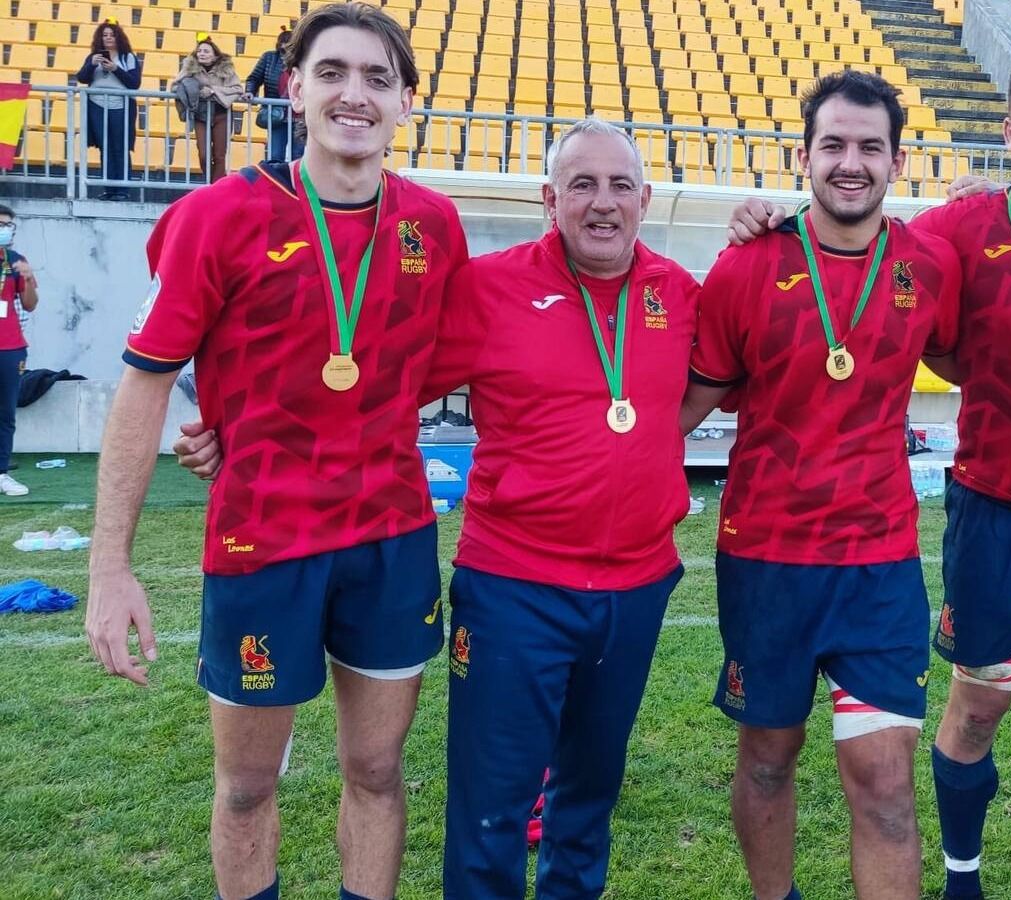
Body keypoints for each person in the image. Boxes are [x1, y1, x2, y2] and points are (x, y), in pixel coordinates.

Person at [727, 43, 1011, 900]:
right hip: (987, 508)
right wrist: (768, 215)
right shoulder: (953, 232)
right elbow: (847, 231)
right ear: (1008, 132)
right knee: (976, 706)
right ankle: (962, 880)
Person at [84, 6, 468, 900]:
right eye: (332, 72)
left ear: (406, 102)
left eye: (378, 78)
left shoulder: (434, 230)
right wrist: (110, 566)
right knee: (249, 786)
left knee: (376, 772)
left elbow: (428, 375)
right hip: (262, 545)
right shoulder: (216, 217)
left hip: (391, 542)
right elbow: (145, 384)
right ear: (291, 89)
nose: (354, 95)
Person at [682, 70, 962, 900]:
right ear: (802, 156)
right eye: (833, 144)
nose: (850, 162)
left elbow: (966, 350)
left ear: (897, 160)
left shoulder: (929, 265)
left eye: (869, 147)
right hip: (765, 557)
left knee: (883, 787)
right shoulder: (745, 268)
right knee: (768, 762)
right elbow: (683, 407)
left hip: (878, 564)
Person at [426, 118, 701, 899]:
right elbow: (381, 390)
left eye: (620, 186)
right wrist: (237, 429)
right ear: (551, 199)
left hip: (638, 587)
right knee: (492, 807)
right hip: (515, 587)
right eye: (582, 184)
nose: (603, 203)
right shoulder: (488, 288)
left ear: (646, 199)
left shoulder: (679, 296)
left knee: (587, 799)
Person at [75, 19, 141, 200]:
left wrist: (115, 69)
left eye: (112, 35)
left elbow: (134, 83)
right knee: (105, 147)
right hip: (97, 105)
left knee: (120, 147)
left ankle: (123, 189)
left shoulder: (128, 58)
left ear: (119, 37)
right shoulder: (93, 57)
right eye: (105, 35)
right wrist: (91, 64)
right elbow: (81, 77)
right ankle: (109, 188)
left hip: (121, 106)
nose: (108, 38)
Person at [0, 204, 40, 497]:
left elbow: (30, 304)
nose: (5, 230)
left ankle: (1, 474)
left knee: (5, 413)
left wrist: (27, 278)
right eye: (1, 224)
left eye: (9, 226)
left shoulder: (15, 261)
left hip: (11, 347)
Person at [174, 35, 246, 183]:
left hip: (221, 115)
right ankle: (210, 183)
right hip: (201, 115)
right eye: (199, 51)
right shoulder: (189, 68)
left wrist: (213, 90)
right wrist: (193, 90)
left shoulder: (226, 69)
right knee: (203, 153)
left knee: (219, 155)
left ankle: (216, 187)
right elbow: (175, 86)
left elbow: (238, 88)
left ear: (215, 56)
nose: (201, 53)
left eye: (206, 51)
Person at [246, 27, 300, 163]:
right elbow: (254, 78)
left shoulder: (304, 60)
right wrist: (250, 92)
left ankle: (296, 185)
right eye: (285, 42)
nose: (287, 46)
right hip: (276, 115)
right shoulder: (269, 58)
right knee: (275, 156)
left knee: (299, 156)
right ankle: (274, 184)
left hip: (300, 117)